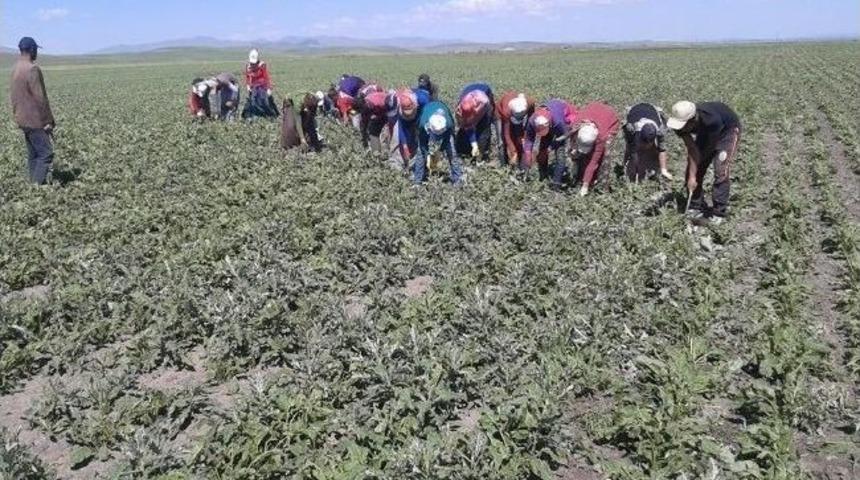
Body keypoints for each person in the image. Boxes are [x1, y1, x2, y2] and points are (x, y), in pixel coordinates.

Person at [667, 100, 742, 222]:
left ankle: (719, 213)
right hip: (705, 132)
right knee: (694, 170)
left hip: (727, 130)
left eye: (685, 125)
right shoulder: (678, 125)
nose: (682, 129)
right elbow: (692, 149)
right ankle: (695, 205)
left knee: (721, 169)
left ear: (693, 119)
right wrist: (692, 177)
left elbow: (709, 148)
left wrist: (697, 167)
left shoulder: (712, 121)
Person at [10, 37, 55, 185]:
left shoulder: (16, 68)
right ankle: (36, 188)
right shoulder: (32, 69)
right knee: (46, 153)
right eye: (36, 50)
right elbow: (40, 98)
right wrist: (48, 121)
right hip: (34, 120)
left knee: (34, 154)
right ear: (32, 50)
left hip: (22, 119)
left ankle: (31, 185)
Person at [570, 102, 620, 196]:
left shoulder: (601, 137)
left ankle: (602, 186)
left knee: (605, 155)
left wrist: (585, 186)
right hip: (593, 110)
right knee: (579, 155)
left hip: (610, 120)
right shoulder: (576, 126)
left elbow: (593, 162)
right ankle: (579, 177)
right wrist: (574, 153)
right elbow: (572, 143)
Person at [523, 99, 577, 181]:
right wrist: (527, 154)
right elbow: (529, 139)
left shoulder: (559, 122)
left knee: (560, 155)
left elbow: (564, 135)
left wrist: (551, 147)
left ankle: (556, 183)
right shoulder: (532, 121)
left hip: (562, 131)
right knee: (542, 151)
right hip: (550, 122)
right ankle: (543, 176)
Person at [414, 101, 463, 185]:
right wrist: (428, 155)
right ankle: (417, 181)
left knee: (452, 154)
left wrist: (439, 152)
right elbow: (422, 143)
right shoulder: (423, 124)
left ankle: (457, 180)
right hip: (428, 113)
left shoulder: (448, 124)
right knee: (420, 154)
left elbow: (447, 139)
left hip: (442, 109)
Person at [455, 83, 496, 163]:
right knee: (463, 128)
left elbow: (485, 115)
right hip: (469, 91)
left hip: (485, 94)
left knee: (484, 128)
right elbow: (466, 125)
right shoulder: (461, 106)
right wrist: (474, 143)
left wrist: (478, 146)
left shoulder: (484, 102)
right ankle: (463, 151)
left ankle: (480, 155)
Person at [496, 92, 535, 168]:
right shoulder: (506, 111)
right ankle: (503, 165)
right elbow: (506, 134)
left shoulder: (529, 103)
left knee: (519, 137)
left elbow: (530, 120)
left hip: (515, 115)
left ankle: (521, 165)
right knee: (502, 140)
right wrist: (513, 152)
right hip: (500, 114)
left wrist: (525, 136)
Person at [354, 90, 397, 155]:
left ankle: (389, 151)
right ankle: (376, 153)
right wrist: (364, 139)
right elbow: (364, 123)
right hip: (381, 112)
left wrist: (381, 117)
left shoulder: (379, 101)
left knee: (389, 131)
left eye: (367, 106)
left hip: (391, 109)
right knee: (373, 130)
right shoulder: (365, 107)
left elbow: (390, 113)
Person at [389, 88, 422, 170]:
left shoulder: (421, 101)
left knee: (416, 139)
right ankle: (397, 164)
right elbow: (401, 129)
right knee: (397, 140)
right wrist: (404, 146)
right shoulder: (398, 108)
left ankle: (414, 163)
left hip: (418, 119)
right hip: (402, 122)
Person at [242, 49, 279, 118]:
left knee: (264, 102)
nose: (253, 64)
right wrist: (247, 85)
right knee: (252, 102)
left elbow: (266, 77)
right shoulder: (248, 66)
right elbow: (247, 76)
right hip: (253, 86)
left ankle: (271, 115)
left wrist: (268, 88)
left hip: (262, 86)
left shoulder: (262, 65)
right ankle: (255, 116)